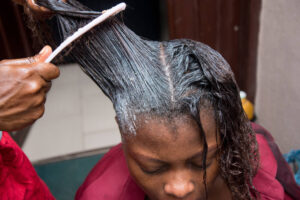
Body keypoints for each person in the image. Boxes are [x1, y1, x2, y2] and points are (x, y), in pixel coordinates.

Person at [1, 0, 300, 199]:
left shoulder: (258, 156)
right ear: (122, 130)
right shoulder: (101, 193)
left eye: (203, 160)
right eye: (153, 168)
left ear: (226, 130)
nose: (181, 189)